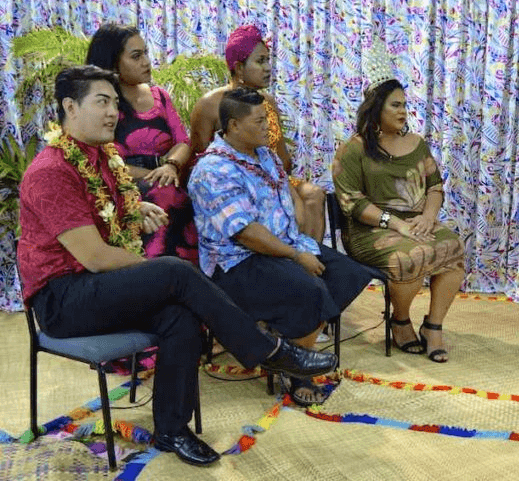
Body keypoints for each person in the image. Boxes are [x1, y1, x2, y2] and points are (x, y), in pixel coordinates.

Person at [18, 66, 338, 467]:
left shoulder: (101, 158)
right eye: (102, 102)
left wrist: (136, 207)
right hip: (62, 301)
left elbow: (102, 212)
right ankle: (268, 350)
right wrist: (150, 272)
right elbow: (95, 256)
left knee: (181, 316)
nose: (114, 112)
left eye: (115, 103)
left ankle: (171, 428)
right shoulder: (51, 171)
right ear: (70, 107)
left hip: (100, 288)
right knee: (174, 272)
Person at [188, 88, 372, 405]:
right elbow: (246, 234)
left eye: (268, 119)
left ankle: (289, 347)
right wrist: (296, 255)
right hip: (238, 263)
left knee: (347, 274)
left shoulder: (266, 155)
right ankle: (296, 370)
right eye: (260, 121)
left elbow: (288, 194)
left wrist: (299, 236)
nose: (268, 128)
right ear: (233, 125)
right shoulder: (212, 170)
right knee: (310, 289)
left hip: (283, 246)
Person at [333, 78, 465, 363]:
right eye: (395, 105)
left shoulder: (417, 144)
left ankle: (433, 326)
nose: (403, 111)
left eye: (404, 105)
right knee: (410, 257)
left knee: (453, 247)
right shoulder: (353, 149)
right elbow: (352, 202)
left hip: (415, 224)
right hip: (370, 231)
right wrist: (397, 224)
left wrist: (428, 217)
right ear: (376, 108)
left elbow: (434, 187)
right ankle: (400, 320)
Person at [189, 25, 326, 242]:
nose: (268, 68)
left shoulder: (267, 102)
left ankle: (312, 254)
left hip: (274, 177)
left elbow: (283, 158)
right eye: (260, 61)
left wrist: (279, 183)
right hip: (233, 184)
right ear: (239, 68)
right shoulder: (209, 105)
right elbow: (199, 162)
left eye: (268, 60)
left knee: (314, 194)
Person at [85, 23, 198, 262]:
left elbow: (183, 142)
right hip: (123, 188)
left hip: (168, 179)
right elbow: (99, 159)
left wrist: (170, 166)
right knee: (165, 196)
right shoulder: (102, 106)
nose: (146, 62)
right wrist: (152, 176)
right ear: (113, 64)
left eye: (146, 53)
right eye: (136, 56)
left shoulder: (160, 96)